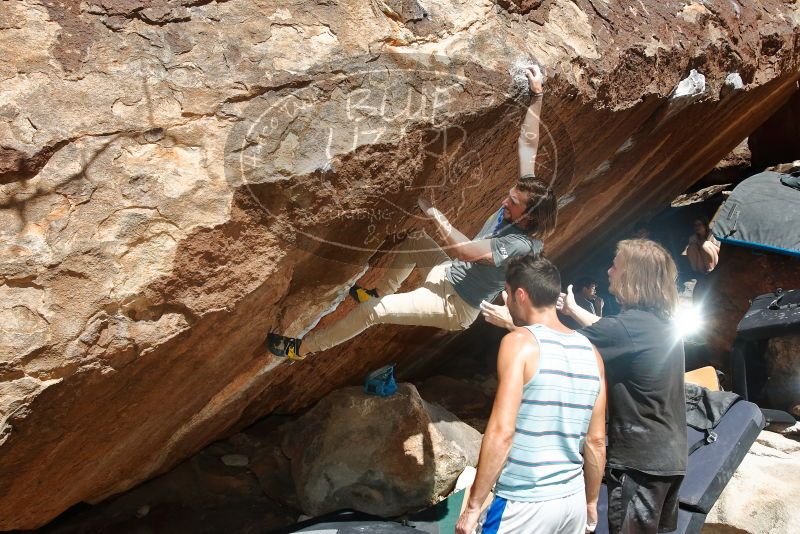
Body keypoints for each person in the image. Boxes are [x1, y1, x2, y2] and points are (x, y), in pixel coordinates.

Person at [267, 65, 557, 360]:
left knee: (372, 313)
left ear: (529, 217)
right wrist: (537, 95)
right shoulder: (526, 199)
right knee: (415, 240)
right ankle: (379, 291)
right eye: (510, 196)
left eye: (513, 203)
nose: (506, 201)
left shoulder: (520, 247)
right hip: (447, 274)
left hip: (454, 304)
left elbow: (466, 252)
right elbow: (528, 144)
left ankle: (300, 349)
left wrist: (436, 214)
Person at [481, 239, 687, 534]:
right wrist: (575, 311)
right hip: (671, 457)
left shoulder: (625, 328)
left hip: (639, 462)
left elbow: (563, 348)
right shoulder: (662, 325)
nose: (609, 271)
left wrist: (514, 324)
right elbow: (612, 331)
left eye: (616, 265)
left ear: (633, 274)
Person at [455, 254, 606, 534]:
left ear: (521, 295)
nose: (506, 300)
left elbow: (502, 432)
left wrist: (474, 506)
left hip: (524, 502)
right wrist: (591, 502)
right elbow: (595, 441)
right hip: (572, 501)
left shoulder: (518, 344)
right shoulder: (591, 352)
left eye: (508, 294)